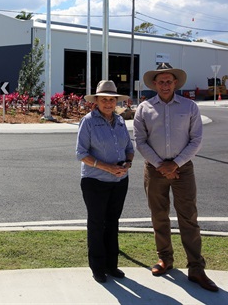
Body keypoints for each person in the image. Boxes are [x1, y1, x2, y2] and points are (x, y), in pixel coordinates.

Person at [133, 63, 218, 292]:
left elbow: (196, 139)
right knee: (159, 216)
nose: (165, 85)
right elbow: (140, 141)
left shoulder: (190, 107)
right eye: (161, 81)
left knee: (188, 217)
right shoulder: (144, 108)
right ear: (154, 84)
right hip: (154, 169)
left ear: (176, 83)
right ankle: (165, 259)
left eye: (169, 81)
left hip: (183, 169)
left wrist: (175, 163)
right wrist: (161, 165)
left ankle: (196, 268)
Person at [76, 80, 134, 284]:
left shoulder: (119, 121)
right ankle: (98, 267)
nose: (108, 103)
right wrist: (107, 167)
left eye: (112, 99)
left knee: (113, 222)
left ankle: (112, 265)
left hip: (119, 181)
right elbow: (81, 154)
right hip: (95, 182)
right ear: (97, 101)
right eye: (104, 100)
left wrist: (127, 164)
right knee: (96, 224)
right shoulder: (88, 121)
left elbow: (129, 148)